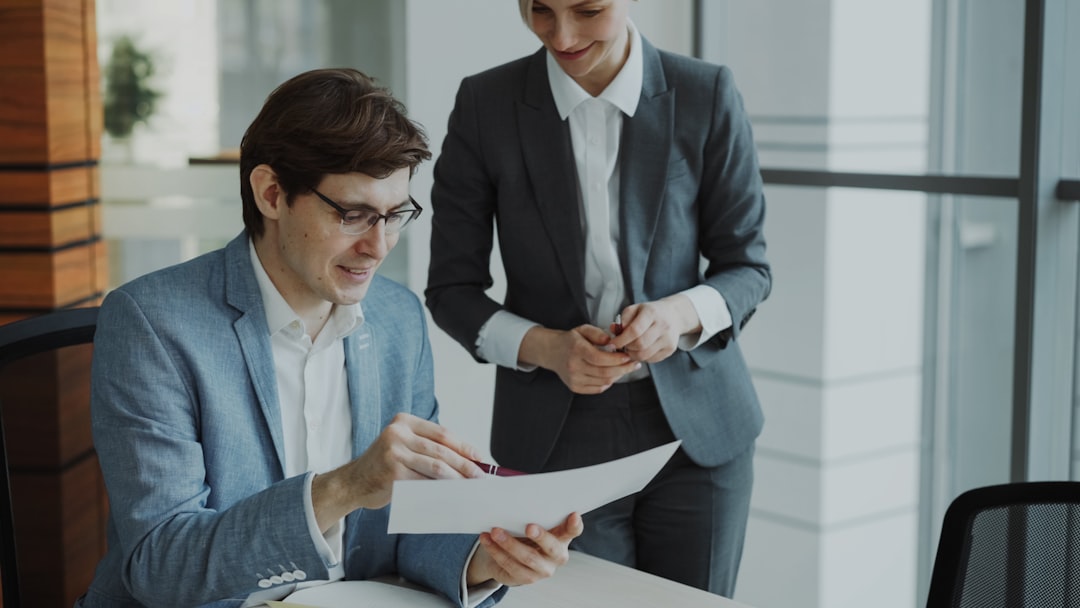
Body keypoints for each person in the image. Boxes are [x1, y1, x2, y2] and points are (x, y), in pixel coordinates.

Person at [76, 68, 582, 608]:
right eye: (355, 215)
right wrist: (345, 487)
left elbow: (410, 522)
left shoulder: (396, 318)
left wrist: (488, 559)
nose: (379, 246)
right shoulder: (152, 323)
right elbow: (162, 564)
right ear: (271, 193)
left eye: (395, 216)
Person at [425, 0, 770, 598]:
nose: (562, 35)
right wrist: (547, 348)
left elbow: (748, 268)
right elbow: (451, 290)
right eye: (540, 10)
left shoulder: (705, 93)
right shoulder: (486, 104)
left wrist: (678, 315)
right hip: (556, 443)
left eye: (588, 10)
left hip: (700, 436)